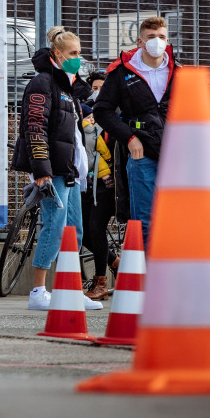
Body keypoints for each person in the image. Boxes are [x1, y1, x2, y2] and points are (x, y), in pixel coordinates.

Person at [11, 27, 102, 311]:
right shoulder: (42, 83)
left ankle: (69, 290)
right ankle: (38, 291)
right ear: (57, 54)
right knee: (55, 225)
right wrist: (41, 169)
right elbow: (34, 127)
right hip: (52, 170)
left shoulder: (69, 89)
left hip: (69, 170)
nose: (78, 58)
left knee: (75, 229)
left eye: (79, 53)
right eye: (73, 54)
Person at [92, 16, 179, 245]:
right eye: (151, 37)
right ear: (140, 41)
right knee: (145, 225)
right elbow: (102, 111)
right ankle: (146, 279)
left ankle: (170, 278)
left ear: (167, 40)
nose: (157, 42)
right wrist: (129, 138)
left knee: (175, 222)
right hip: (143, 158)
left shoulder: (178, 72)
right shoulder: (122, 72)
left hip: (176, 158)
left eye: (161, 37)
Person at [81, 71, 118, 300]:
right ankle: (115, 261)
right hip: (86, 182)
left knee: (96, 228)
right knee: (83, 232)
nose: (98, 92)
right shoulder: (83, 114)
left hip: (108, 184)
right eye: (94, 87)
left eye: (102, 88)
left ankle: (101, 281)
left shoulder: (115, 115)